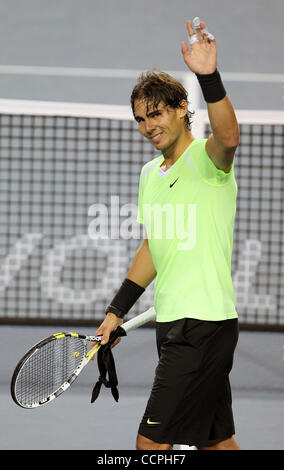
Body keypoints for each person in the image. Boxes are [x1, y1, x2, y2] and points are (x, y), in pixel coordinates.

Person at [94, 18, 240, 450]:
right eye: (140, 118)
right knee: (217, 443)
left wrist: (208, 76)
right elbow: (153, 248)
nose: (147, 125)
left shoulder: (208, 160)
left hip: (203, 326)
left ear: (181, 107)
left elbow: (229, 136)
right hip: (174, 322)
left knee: (150, 445)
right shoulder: (149, 175)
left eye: (155, 113)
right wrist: (116, 310)